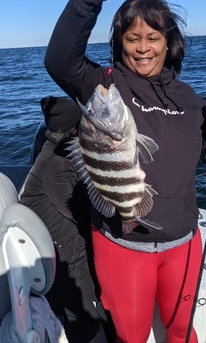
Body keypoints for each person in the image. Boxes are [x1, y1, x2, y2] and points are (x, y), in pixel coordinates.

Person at [44, 0, 206, 343]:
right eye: (132, 38)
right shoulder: (105, 84)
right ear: (119, 43)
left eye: (152, 37)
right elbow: (59, 59)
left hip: (185, 244)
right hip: (124, 247)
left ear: (168, 41)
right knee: (132, 335)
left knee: (180, 331)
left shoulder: (190, 97)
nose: (142, 47)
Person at [20, 96, 113, 343]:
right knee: (89, 320)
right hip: (66, 261)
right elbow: (82, 214)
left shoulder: (53, 152)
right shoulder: (57, 165)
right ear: (75, 129)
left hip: (62, 250)